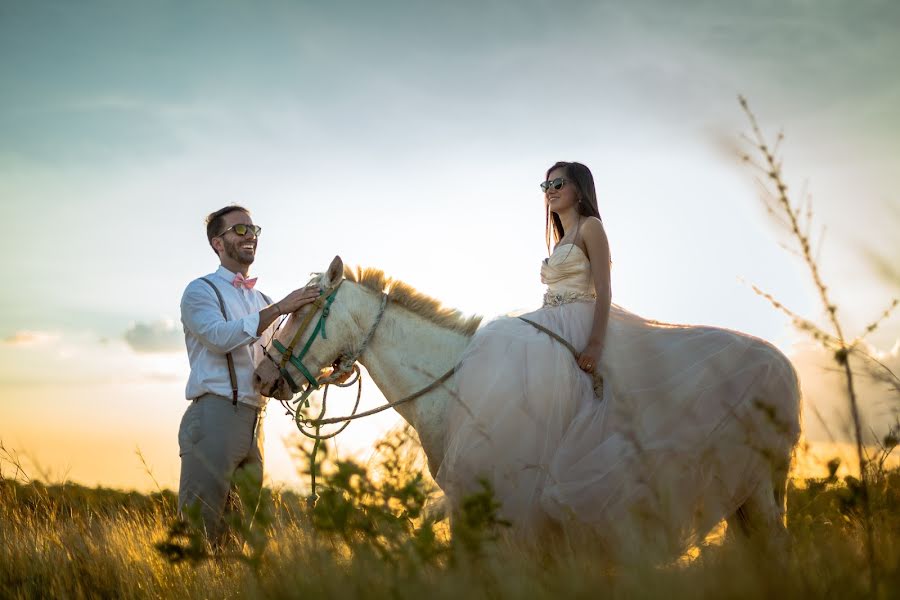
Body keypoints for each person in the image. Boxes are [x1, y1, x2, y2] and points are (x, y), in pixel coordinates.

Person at [435, 162, 800, 557]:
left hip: (585, 325)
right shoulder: (561, 239)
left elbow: (604, 290)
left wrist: (594, 344)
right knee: (514, 372)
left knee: (572, 394)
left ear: (579, 189)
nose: (550, 189)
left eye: (558, 183)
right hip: (555, 324)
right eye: (546, 184)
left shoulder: (591, 227)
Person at [178, 205, 320, 546]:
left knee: (240, 535)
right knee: (199, 531)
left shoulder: (262, 299)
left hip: (255, 421)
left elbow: (273, 363)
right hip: (214, 414)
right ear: (217, 243)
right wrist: (278, 310)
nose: (250, 236)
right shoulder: (200, 291)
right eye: (239, 230)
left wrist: (324, 374)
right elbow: (219, 337)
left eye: (253, 229)